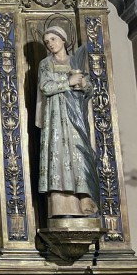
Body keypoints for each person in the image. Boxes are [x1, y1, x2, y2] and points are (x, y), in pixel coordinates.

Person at [36, 25, 99, 218]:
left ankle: (84, 198)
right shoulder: (45, 64)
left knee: (78, 152)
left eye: (53, 39)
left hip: (75, 115)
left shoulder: (75, 61)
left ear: (63, 40)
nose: (50, 44)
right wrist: (68, 83)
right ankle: (61, 205)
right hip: (55, 117)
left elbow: (90, 89)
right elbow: (45, 87)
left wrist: (83, 84)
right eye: (47, 42)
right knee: (59, 154)